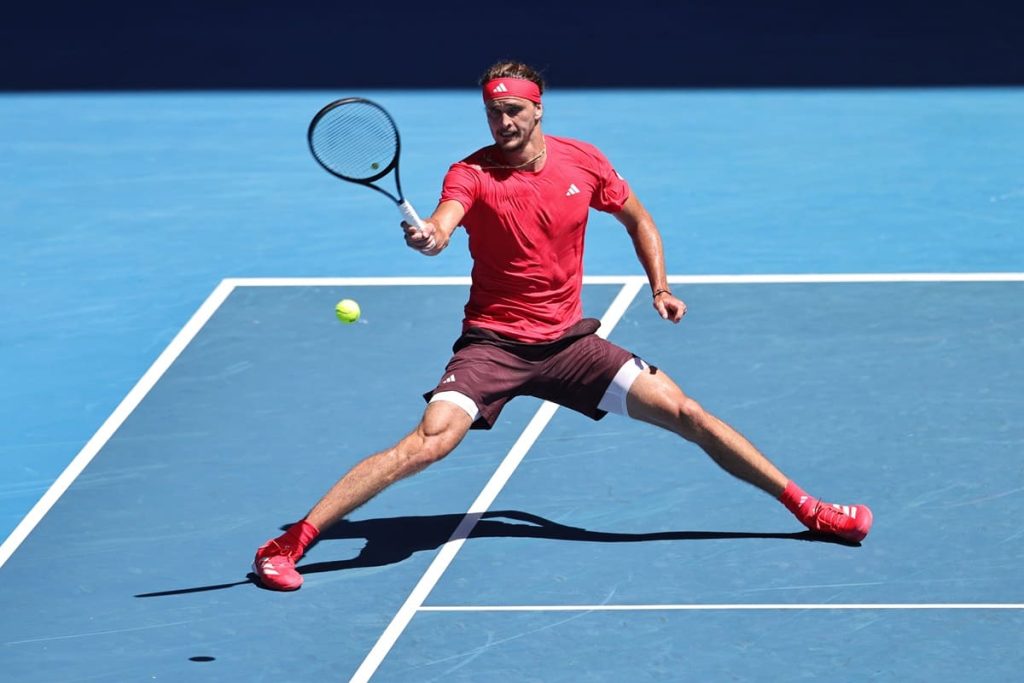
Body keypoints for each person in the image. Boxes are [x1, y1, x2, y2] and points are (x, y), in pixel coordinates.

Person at [252, 61, 873, 591]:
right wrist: (431, 236)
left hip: (570, 345)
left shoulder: (583, 162)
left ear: (538, 109)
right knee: (430, 442)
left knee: (688, 413)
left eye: (514, 112)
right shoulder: (469, 174)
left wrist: (660, 286)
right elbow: (445, 221)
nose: (503, 124)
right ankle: (286, 545)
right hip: (493, 347)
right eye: (494, 114)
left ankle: (811, 510)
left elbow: (638, 218)